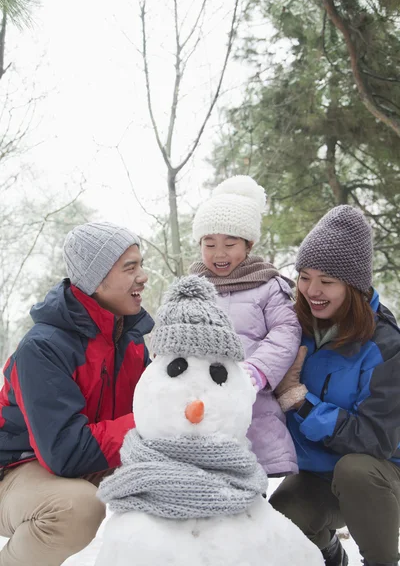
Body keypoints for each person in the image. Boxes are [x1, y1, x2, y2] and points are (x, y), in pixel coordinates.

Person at [0, 222, 154, 566]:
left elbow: (153, 407)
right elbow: (66, 453)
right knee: (77, 508)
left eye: (140, 265)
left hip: (87, 456)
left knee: (180, 481)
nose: (143, 276)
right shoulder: (42, 348)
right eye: (130, 267)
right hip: (15, 468)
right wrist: (155, 421)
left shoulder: (129, 339)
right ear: (97, 280)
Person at [270, 205, 400, 566]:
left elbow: (376, 439)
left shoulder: (385, 345)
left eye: (326, 281)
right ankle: (329, 556)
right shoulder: (292, 327)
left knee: (355, 470)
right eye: (305, 277)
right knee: (278, 522)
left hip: (381, 473)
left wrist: (301, 400)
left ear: (354, 286)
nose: (312, 290)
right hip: (318, 474)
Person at [190, 175, 302, 476]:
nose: (219, 253)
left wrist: (256, 371)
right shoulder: (192, 288)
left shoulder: (267, 285)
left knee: (251, 489)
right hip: (201, 403)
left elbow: (286, 331)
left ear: (248, 244)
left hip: (253, 403)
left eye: (230, 243)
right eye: (209, 244)